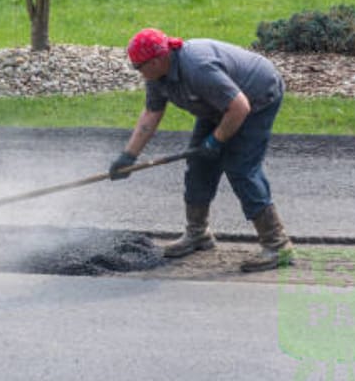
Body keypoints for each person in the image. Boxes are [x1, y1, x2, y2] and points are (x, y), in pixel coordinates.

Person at [108, 28, 294, 272]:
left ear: (157, 60)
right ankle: (198, 234)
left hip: (256, 96)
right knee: (199, 164)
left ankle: (278, 246)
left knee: (241, 168)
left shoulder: (197, 68)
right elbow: (152, 113)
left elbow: (239, 107)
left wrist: (215, 141)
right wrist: (129, 156)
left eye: (139, 66)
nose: (138, 72)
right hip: (217, 105)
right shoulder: (156, 76)